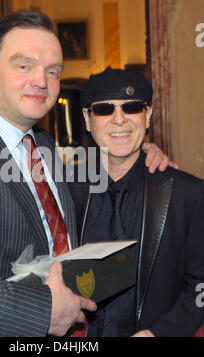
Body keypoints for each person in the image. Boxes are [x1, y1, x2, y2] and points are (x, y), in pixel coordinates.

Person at [0, 11, 171, 337]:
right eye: (24, 65)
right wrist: (40, 312)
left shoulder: (42, 145)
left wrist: (140, 154)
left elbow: (94, 180)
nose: (41, 81)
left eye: (53, 71)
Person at [69, 66, 204, 337]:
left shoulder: (189, 194)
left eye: (131, 107)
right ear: (86, 118)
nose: (119, 120)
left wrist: (160, 333)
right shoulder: (64, 191)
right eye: (104, 109)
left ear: (148, 115)